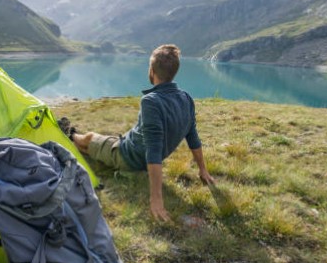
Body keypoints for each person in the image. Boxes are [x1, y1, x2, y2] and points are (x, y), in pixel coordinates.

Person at [65, 44, 215, 222]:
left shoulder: (151, 101)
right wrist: (203, 170)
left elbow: (153, 150)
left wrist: (156, 200)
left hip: (127, 156)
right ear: (174, 72)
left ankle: (68, 134)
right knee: (106, 139)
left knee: (89, 139)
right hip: (133, 146)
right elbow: (193, 137)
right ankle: (73, 135)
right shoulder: (186, 98)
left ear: (152, 70)